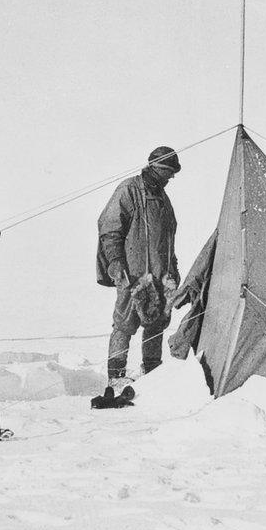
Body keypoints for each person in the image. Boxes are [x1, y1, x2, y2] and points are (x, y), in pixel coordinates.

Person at [97, 146, 181, 389]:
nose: (170, 177)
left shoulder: (164, 199)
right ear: (156, 168)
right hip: (131, 275)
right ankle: (115, 375)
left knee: (156, 323)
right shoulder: (129, 190)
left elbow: (168, 240)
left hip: (160, 275)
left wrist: (172, 270)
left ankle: (152, 372)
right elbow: (109, 228)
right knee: (124, 322)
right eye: (168, 172)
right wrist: (115, 262)